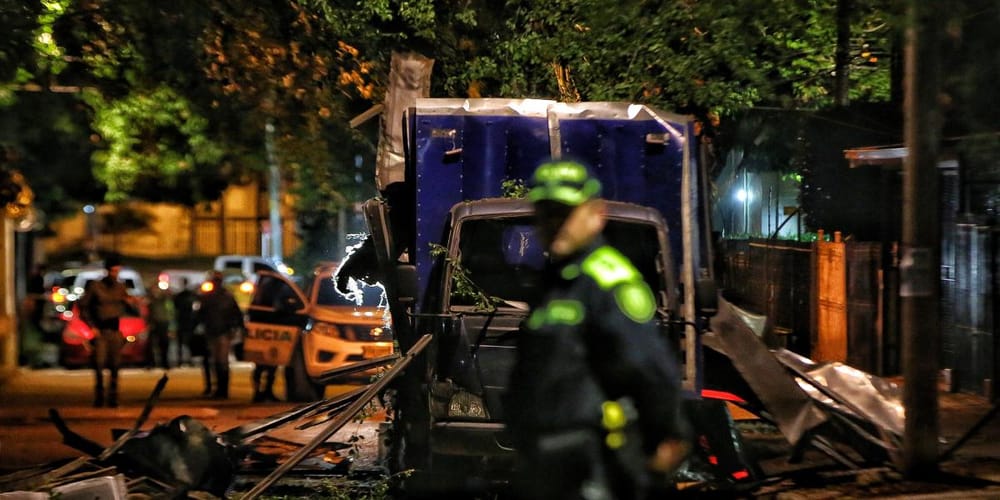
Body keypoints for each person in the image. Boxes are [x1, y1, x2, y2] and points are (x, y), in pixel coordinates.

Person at [505, 160, 692, 500]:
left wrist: (664, 441)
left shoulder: (609, 282)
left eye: (565, 213)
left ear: (596, 214)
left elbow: (651, 371)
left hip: (596, 461)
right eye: (546, 213)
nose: (554, 224)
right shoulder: (554, 283)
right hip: (547, 462)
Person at [78, 258, 138, 408]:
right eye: (113, 271)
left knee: (115, 365)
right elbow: (83, 307)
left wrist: (130, 303)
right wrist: (91, 326)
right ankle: (99, 397)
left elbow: (132, 311)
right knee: (99, 364)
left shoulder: (120, 287)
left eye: (118, 271)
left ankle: (113, 398)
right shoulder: (95, 286)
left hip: (115, 330)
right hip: (100, 330)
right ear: (107, 271)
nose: (115, 274)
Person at [193, 271, 244, 399]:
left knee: (221, 362)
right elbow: (200, 314)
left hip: (222, 332)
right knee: (217, 362)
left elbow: (236, 314)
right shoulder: (210, 296)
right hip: (214, 332)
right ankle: (219, 389)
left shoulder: (225, 296)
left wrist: (235, 328)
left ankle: (223, 389)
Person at [145, 286, 173, 369]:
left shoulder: (164, 300)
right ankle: (152, 363)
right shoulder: (151, 301)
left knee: (163, 344)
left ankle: (164, 362)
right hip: (155, 323)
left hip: (163, 323)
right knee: (151, 345)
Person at [172, 277, 197, 368]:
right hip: (186, 321)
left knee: (185, 342)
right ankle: (186, 360)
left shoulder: (181, 296)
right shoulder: (189, 296)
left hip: (184, 321)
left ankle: (183, 360)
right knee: (185, 342)